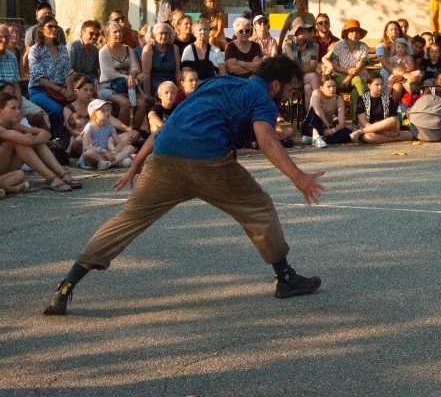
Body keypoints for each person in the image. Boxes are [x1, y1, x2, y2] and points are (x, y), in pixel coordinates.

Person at [43, 56, 325, 316]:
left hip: (164, 158)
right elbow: (267, 141)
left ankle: (65, 287)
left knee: (126, 221)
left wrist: (138, 162)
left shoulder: (215, 83)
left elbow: (170, 124)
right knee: (259, 208)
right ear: (275, 84)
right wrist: (299, 178)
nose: (289, 95)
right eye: (290, 89)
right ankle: (285, 279)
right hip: (209, 162)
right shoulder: (261, 96)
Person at [0, 92, 81, 192]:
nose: (18, 111)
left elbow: (46, 133)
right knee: (18, 142)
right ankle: (52, 178)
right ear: (1, 110)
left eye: (18, 107)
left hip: (6, 170)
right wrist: (31, 138)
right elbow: (28, 140)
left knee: (31, 142)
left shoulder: (12, 125)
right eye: (13, 108)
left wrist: (33, 139)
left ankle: (62, 174)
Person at [27, 15, 75, 141]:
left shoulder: (62, 48)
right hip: (39, 90)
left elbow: (68, 72)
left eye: (56, 27)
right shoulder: (35, 50)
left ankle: (78, 139)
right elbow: (40, 79)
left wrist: (69, 89)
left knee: (77, 105)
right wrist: (62, 91)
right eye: (50, 26)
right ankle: (59, 140)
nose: (54, 29)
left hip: (62, 88)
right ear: (42, 29)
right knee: (57, 109)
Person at [64, 75, 140, 155]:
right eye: (85, 90)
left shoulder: (96, 104)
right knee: (79, 140)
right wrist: (93, 135)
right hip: (85, 140)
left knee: (135, 134)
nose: (89, 93)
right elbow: (71, 130)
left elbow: (110, 119)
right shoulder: (68, 108)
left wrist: (128, 129)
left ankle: (110, 152)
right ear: (76, 91)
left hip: (104, 139)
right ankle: (114, 151)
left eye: (91, 90)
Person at [98, 21, 149, 130]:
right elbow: (109, 73)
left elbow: (135, 67)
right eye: (115, 32)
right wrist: (129, 77)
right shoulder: (103, 51)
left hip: (128, 86)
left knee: (142, 103)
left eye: (120, 31)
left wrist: (132, 74)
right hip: (109, 86)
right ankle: (123, 133)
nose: (118, 34)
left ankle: (135, 133)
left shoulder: (127, 48)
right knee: (125, 103)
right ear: (107, 35)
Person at [322, 19, 370, 122]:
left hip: (357, 79)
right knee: (357, 80)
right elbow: (335, 66)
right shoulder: (338, 45)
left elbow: (359, 67)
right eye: (352, 31)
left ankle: (355, 122)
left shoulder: (363, 47)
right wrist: (347, 72)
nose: (355, 34)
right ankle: (369, 110)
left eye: (357, 31)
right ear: (346, 33)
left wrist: (349, 77)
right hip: (339, 78)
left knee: (355, 92)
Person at [79, 99, 136, 171]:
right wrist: (102, 150)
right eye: (103, 111)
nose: (107, 112)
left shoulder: (109, 126)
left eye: (108, 110)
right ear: (94, 114)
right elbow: (85, 147)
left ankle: (107, 164)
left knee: (129, 148)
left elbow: (120, 144)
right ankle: (115, 162)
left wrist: (113, 153)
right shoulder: (89, 127)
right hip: (95, 155)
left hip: (106, 155)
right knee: (88, 153)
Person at [349, 73, 402, 145]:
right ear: (369, 85)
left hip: (385, 128)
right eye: (377, 84)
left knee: (392, 120)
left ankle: (360, 132)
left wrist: (395, 130)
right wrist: (383, 132)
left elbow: (395, 121)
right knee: (368, 137)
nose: (380, 87)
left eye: (382, 84)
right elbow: (364, 122)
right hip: (370, 130)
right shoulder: (362, 99)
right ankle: (396, 139)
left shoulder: (388, 99)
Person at [300, 74, 351, 148]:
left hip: (327, 129)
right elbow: (317, 109)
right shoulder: (317, 93)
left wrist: (332, 130)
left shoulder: (338, 98)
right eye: (329, 87)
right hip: (311, 126)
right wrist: (326, 123)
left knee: (347, 133)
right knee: (315, 110)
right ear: (321, 87)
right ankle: (316, 136)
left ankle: (316, 139)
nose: (332, 89)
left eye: (334, 86)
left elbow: (342, 123)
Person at [282, 18, 320, 109]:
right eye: (299, 33)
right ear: (294, 34)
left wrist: (304, 68)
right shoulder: (288, 46)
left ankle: (310, 114)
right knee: (314, 76)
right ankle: (317, 111)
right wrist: (306, 66)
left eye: (304, 32)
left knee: (308, 88)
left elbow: (313, 65)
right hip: (292, 79)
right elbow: (292, 66)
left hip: (306, 78)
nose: (302, 35)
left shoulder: (314, 46)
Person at [141, 22, 181, 97]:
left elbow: (177, 72)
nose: (164, 36)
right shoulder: (149, 48)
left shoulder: (174, 48)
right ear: (154, 35)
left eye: (166, 33)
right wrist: (147, 94)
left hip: (171, 82)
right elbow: (146, 74)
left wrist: (181, 88)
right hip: (155, 83)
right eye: (161, 33)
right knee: (166, 91)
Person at [387, 37, 422, 103]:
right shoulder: (392, 58)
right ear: (395, 48)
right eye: (398, 47)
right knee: (392, 77)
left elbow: (411, 68)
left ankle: (408, 84)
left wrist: (405, 65)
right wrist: (398, 70)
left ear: (406, 49)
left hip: (406, 75)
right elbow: (390, 69)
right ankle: (389, 97)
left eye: (403, 47)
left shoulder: (407, 57)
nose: (400, 49)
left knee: (418, 72)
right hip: (397, 76)